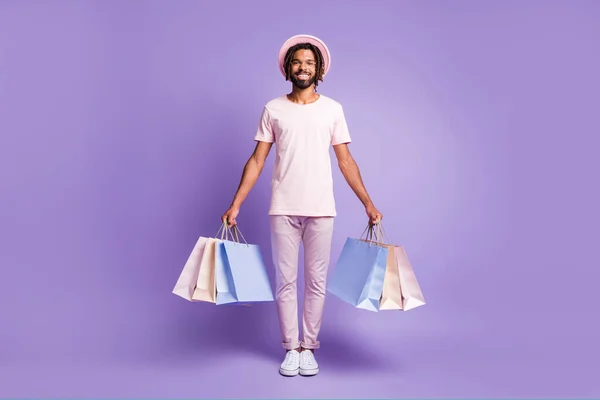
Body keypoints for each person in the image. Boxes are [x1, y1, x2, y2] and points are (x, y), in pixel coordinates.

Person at [221, 34, 382, 377]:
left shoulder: (333, 110)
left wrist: (368, 202)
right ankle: (290, 349)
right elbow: (256, 161)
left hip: (322, 208)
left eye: (310, 62)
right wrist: (235, 204)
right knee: (285, 281)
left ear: (319, 69)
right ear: (288, 68)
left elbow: (346, 162)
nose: (303, 67)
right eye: (297, 62)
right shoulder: (273, 109)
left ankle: (309, 348)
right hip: (283, 208)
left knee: (316, 282)